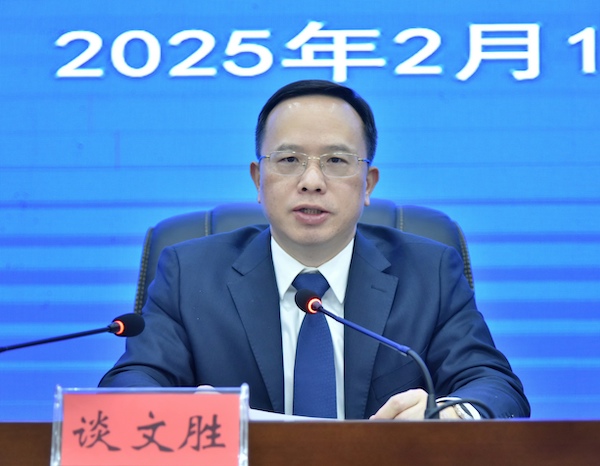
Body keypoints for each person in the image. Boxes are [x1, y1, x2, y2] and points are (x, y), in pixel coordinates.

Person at [100, 79, 530, 420]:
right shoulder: (188, 272)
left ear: (368, 185)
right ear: (258, 179)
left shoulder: (429, 271)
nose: (311, 182)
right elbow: (133, 381)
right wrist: (178, 412)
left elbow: (493, 385)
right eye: (288, 160)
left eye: (336, 161)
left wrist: (447, 415)